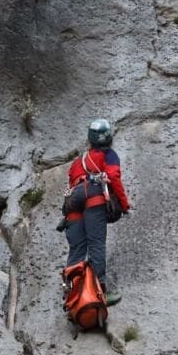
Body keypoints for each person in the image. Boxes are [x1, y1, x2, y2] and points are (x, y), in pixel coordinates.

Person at [63, 119, 131, 306]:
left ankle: (72, 298)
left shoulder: (78, 162)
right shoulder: (108, 154)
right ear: (108, 138)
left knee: (76, 250)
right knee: (96, 244)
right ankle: (100, 292)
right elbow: (114, 177)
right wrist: (124, 206)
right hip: (93, 197)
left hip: (72, 202)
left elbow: (72, 185)